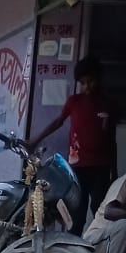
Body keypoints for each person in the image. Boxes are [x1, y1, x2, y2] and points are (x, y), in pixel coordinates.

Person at [31, 55, 118, 234]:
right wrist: (36, 140)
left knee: (99, 209)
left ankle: (101, 246)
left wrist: (114, 171)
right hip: (77, 168)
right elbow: (58, 122)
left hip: (101, 167)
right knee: (77, 214)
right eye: (83, 83)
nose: (87, 87)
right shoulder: (74, 102)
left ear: (98, 79)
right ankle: (72, 250)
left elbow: (111, 140)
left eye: (90, 81)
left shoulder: (107, 104)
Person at [83, 172, 126, 253]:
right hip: (95, 240)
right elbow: (109, 212)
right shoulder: (123, 182)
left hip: (113, 240)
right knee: (124, 225)